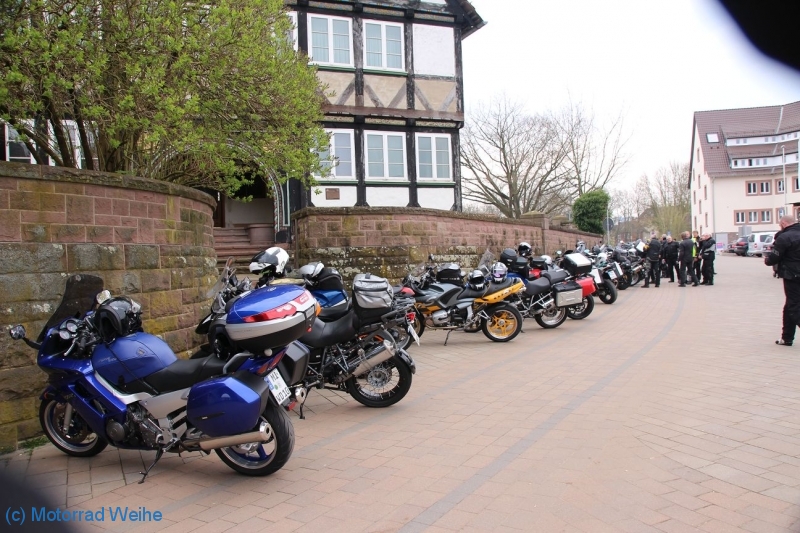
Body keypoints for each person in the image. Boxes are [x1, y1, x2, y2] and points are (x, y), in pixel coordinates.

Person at [765, 215, 800, 346]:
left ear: (784, 223)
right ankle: (787, 337)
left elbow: (774, 257)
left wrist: (767, 260)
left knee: (793, 306)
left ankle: (787, 337)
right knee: (789, 305)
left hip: (792, 275)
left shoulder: (784, 237)